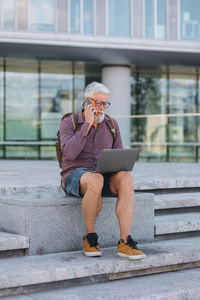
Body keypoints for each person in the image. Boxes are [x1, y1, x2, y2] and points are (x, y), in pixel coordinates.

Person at [60, 81, 146, 260]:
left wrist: (120, 166)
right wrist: (87, 126)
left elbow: (119, 155)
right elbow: (69, 153)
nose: (101, 107)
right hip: (75, 176)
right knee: (95, 179)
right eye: (97, 102)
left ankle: (124, 242)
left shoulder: (111, 124)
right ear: (86, 101)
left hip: (102, 174)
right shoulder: (69, 122)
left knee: (126, 178)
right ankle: (90, 238)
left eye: (105, 103)